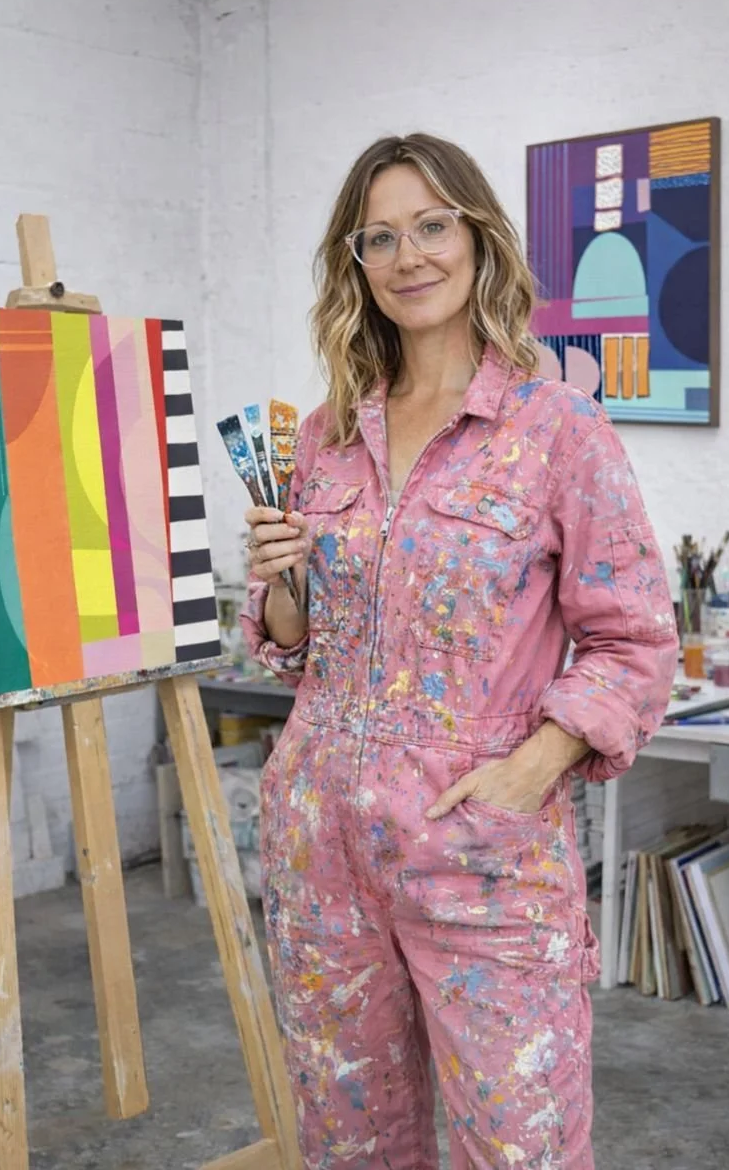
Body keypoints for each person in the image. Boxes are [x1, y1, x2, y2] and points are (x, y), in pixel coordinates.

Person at [240, 133, 678, 1170]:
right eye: (378, 237)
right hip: (320, 850)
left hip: (481, 857)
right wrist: (283, 584)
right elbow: (295, 652)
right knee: (350, 1143)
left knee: (516, 1147)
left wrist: (528, 772)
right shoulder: (324, 436)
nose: (407, 256)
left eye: (430, 225)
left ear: (477, 238)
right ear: (356, 266)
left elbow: (633, 640)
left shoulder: (556, 430)